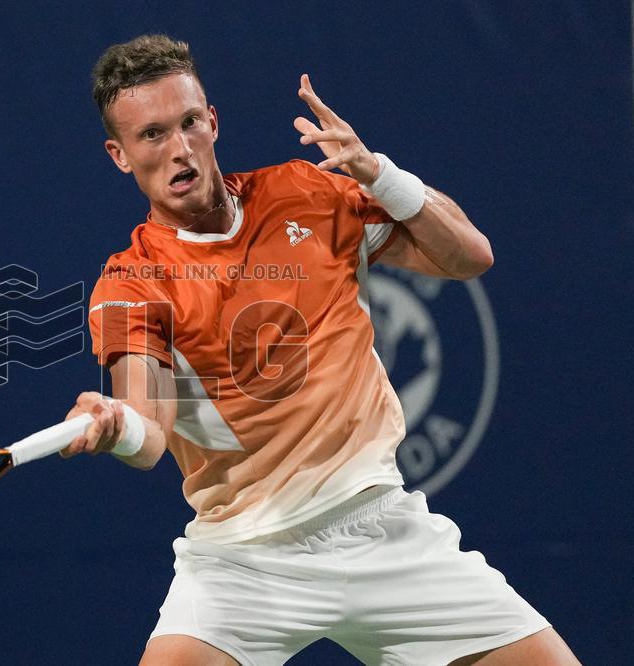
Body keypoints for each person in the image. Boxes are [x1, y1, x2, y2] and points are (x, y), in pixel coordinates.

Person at [60, 34, 579, 666]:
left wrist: (378, 172)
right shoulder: (133, 282)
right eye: (152, 135)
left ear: (213, 122)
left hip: (380, 526)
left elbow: (470, 255)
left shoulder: (305, 193)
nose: (179, 149)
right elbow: (149, 436)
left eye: (190, 122)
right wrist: (115, 423)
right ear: (119, 155)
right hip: (243, 560)